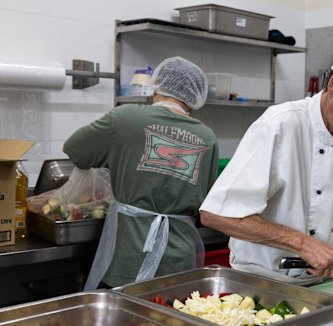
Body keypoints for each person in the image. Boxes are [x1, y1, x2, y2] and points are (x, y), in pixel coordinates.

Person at [200, 42, 333, 288]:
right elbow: (217, 214)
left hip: (325, 282)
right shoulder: (280, 125)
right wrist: (304, 244)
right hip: (260, 282)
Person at [63, 56, 219, 289]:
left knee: (125, 323)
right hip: (179, 260)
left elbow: (75, 150)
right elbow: (206, 204)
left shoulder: (124, 118)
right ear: (195, 97)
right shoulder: (208, 138)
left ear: (156, 85)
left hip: (129, 255)